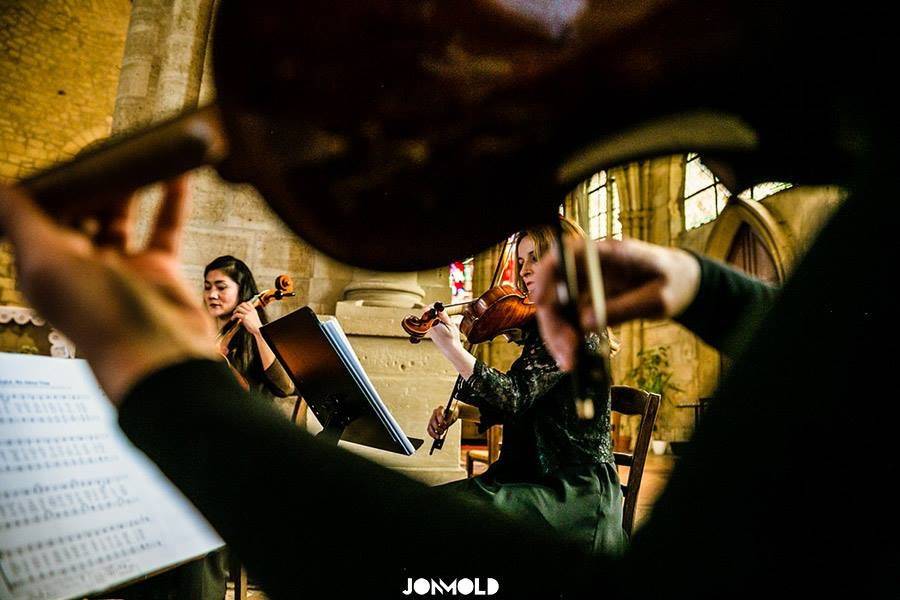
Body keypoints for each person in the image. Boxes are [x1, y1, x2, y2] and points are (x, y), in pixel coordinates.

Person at [0, 118, 895, 597]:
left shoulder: (575, 334)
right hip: (534, 479)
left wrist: (172, 390)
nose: (524, 279)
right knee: (451, 528)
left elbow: (505, 403)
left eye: (534, 264)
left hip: (570, 506)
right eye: (525, 268)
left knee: (438, 581)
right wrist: (705, 286)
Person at [425, 217, 626, 555]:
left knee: (440, 516)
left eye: (536, 257)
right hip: (529, 477)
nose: (524, 271)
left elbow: (515, 396)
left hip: (575, 493)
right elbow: (526, 403)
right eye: (521, 261)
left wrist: (452, 349)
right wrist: (460, 411)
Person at [203, 255, 294, 400]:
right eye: (207, 287)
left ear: (241, 290)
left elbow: (285, 388)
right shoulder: (204, 333)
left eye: (221, 287)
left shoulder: (256, 335)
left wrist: (258, 332)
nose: (212, 295)